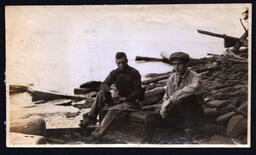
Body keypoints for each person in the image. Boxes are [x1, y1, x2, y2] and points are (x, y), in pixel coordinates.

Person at [79, 52, 144, 142]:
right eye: (119, 63)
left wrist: (125, 99)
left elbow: (138, 91)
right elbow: (104, 84)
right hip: (118, 100)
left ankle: (97, 134)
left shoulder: (134, 73)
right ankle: (91, 117)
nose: (121, 65)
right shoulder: (114, 73)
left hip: (131, 102)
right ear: (116, 62)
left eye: (123, 62)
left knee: (113, 110)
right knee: (101, 93)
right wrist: (110, 89)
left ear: (127, 61)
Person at [143, 52, 204, 142]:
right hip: (176, 115)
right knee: (150, 117)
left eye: (179, 64)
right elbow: (166, 97)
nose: (176, 67)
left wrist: (174, 97)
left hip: (192, 115)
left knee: (187, 98)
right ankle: (145, 144)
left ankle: (188, 135)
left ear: (186, 64)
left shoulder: (195, 76)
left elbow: (193, 88)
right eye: (174, 64)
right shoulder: (172, 78)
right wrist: (164, 109)